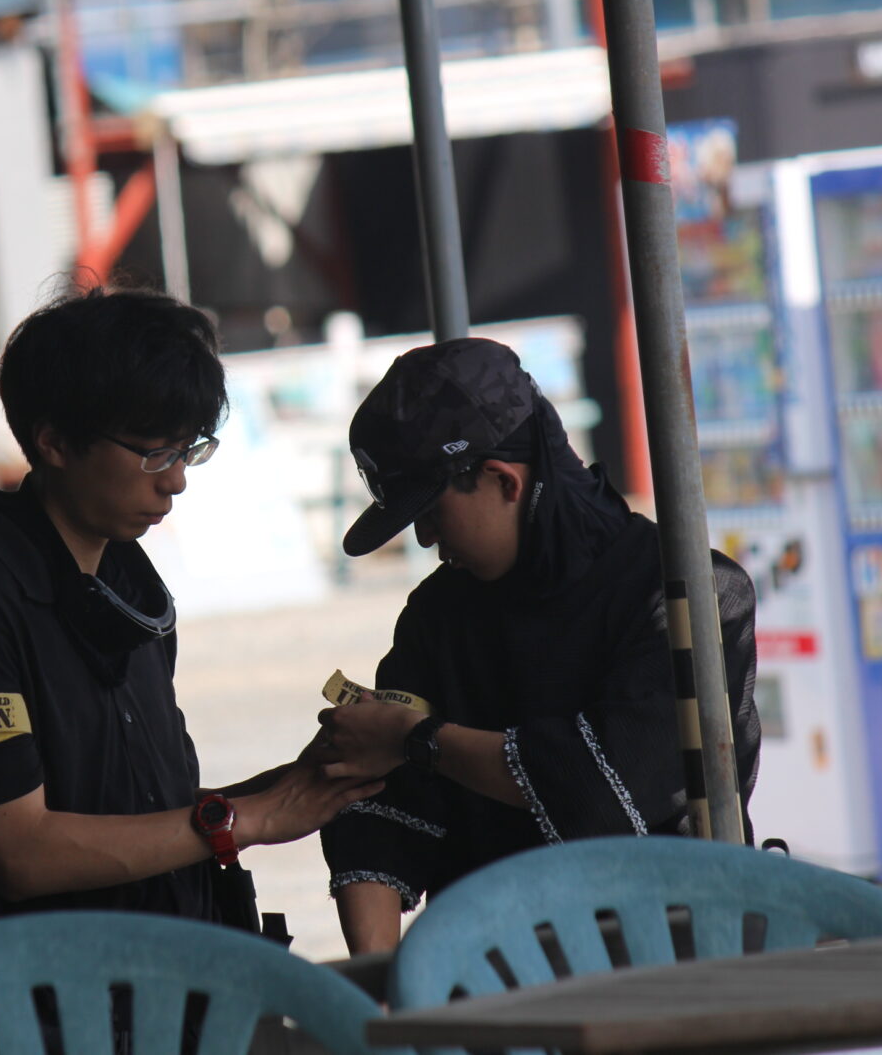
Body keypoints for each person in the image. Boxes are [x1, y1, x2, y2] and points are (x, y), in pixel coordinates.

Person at [0, 286, 380, 932]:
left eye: (188, 450)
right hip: (64, 984)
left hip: (177, 960)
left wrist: (308, 780)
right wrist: (251, 819)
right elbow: (21, 852)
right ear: (54, 442)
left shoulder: (129, 586)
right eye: (154, 452)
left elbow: (152, 815)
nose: (176, 479)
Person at [316, 338, 761, 954]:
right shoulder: (437, 614)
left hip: (670, 959)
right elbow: (377, 800)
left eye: (431, 513)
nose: (424, 538)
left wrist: (417, 740)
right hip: (490, 969)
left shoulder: (689, 594)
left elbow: (600, 787)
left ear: (504, 481)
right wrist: (383, 983)